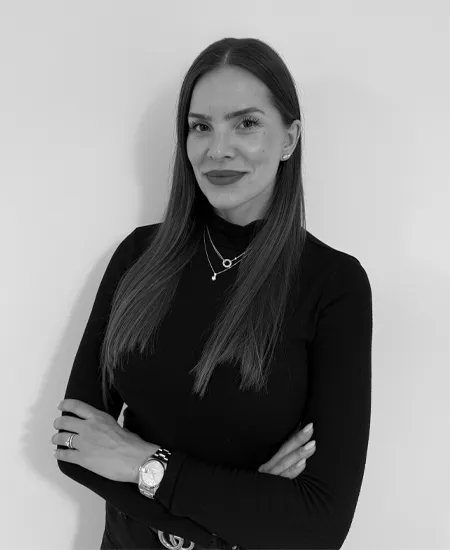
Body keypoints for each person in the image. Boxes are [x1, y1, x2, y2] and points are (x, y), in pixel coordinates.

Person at [52, 37, 373, 550]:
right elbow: (75, 444)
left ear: (289, 139)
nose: (217, 148)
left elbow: (319, 525)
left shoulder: (334, 284)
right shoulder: (139, 257)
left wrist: (140, 461)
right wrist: (247, 512)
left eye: (246, 123)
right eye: (200, 126)